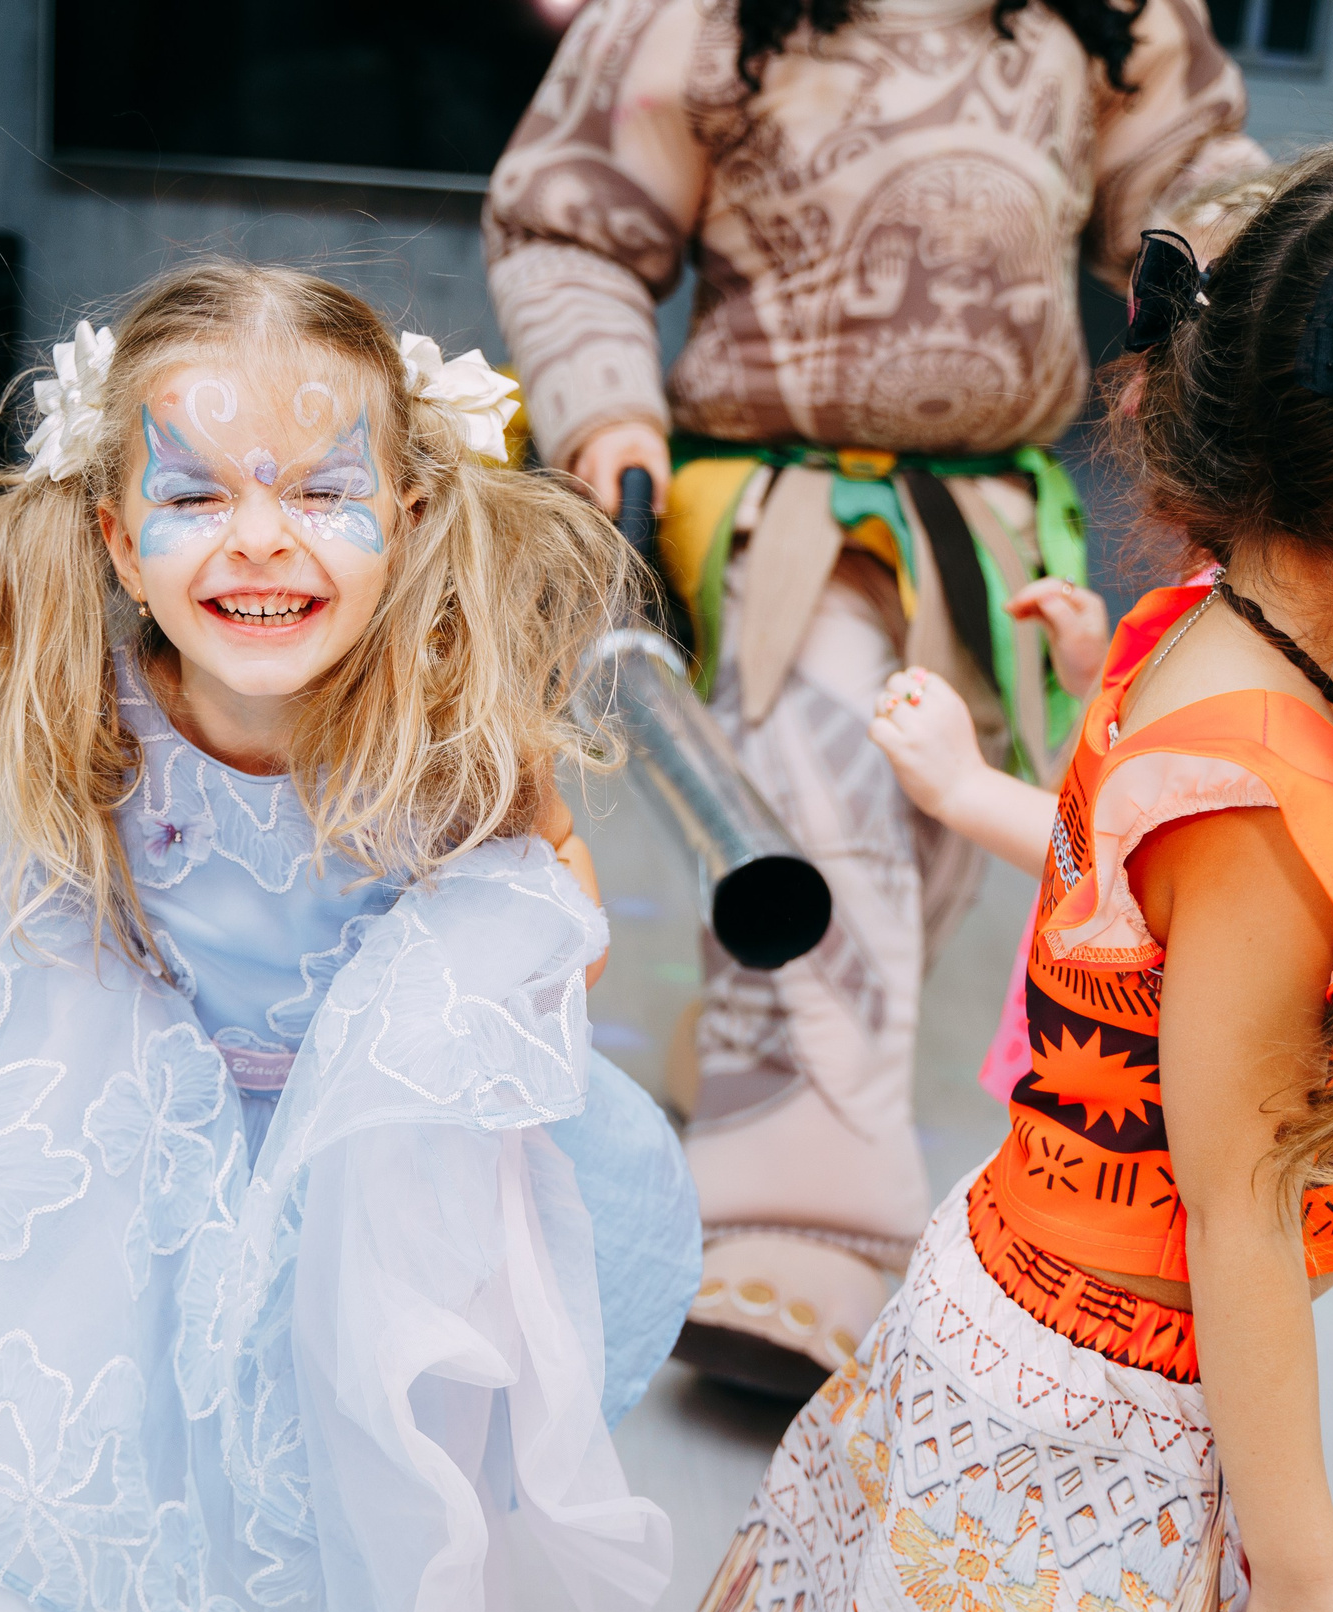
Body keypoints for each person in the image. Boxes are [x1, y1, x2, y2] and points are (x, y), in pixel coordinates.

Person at [692, 144, 1333, 1612]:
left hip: (1031, 1331)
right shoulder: (1268, 796)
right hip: (1095, 1413)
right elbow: (1240, 1221)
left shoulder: (1222, 630)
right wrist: (1316, 1587)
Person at [0, 263, 702, 1612]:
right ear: (119, 541)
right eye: (196, 499)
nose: (261, 544)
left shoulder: (449, 730)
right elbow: (82, 904)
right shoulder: (103, 713)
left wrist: (471, 979)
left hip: (373, 1181)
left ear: (416, 514)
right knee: (134, 1450)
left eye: (325, 493)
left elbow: (557, 902)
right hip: (153, 1143)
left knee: (366, 1460)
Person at [486, 0, 1270, 1396]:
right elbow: (575, 223)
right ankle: (799, 1232)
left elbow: (1209, 212)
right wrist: (607, 408)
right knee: (825, 807)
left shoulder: (1112, 22)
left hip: (994, 522)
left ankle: (731, 1052)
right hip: (783, 509)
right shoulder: (709, 17)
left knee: (918, 854)